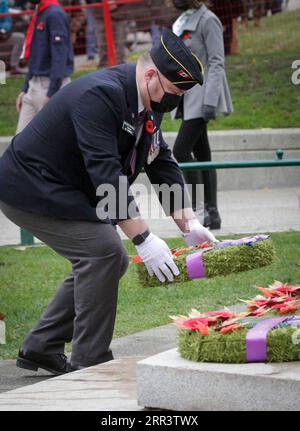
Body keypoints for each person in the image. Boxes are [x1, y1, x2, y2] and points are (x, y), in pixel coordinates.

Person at [0, 28, 217, 375]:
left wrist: (189, 223)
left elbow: (160, 160)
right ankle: (90, 363)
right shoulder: (100, 95)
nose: (172, 103)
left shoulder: (147, 98)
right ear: (150, 75)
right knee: (104, 252)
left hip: (66, 189)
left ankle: (41, 346)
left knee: (106, 258)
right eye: (173, 94)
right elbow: (106, 175)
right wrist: (143, 239)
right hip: (29, 187)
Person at [171, 0, 233, 230]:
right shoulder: (183, 20)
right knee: (203, 153)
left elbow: (217, 62)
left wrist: (210, 100)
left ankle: (199, 210)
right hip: (187, 97)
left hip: (203, 97)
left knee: (180, 150)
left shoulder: (209, 20)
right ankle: (212, 213)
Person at [15, 0, 74, 134]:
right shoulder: (41, 11)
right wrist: (25, 88)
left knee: (52, 144)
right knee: (19, 143)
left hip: (50, 87)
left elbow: (59, 56)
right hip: (34, 85)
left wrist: (52, 92)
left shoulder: (55, 14)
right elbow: (36, 55)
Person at [0, 0, 25, 75]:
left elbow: (7, 21)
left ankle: (13, 67)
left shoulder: (3, 3)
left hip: (2, 36)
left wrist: (3, 30)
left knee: (19, 38)